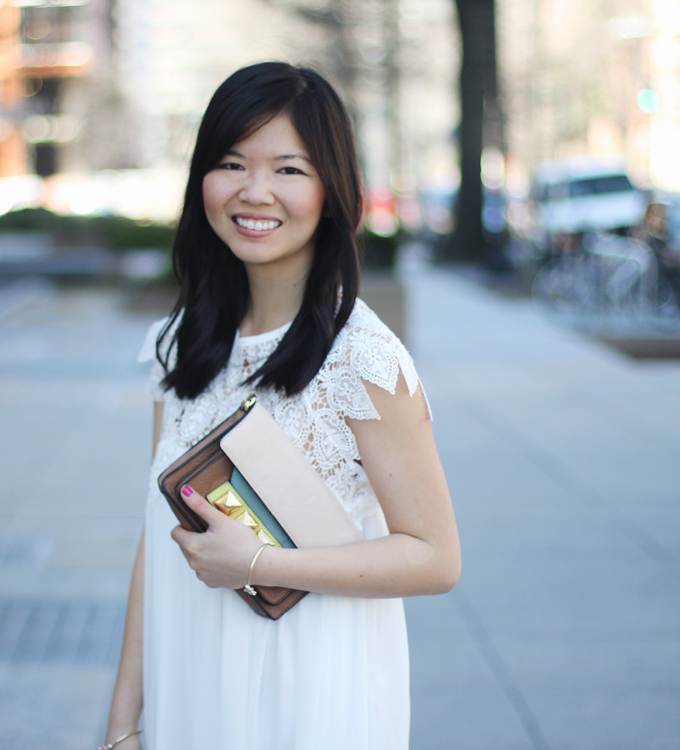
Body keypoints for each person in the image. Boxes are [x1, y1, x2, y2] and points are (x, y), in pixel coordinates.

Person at [103, 62, 461, 750]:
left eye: (289, 170)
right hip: (193, 683)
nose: (254, 191)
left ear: (332, 191)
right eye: (232, 163)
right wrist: (124, 718)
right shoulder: (176, 347)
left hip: (314, 695)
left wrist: (261, 567)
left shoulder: (363, 359)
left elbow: (436, 558)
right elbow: (159, 538)